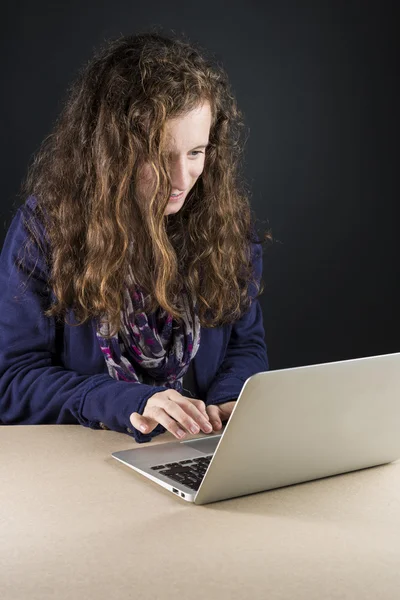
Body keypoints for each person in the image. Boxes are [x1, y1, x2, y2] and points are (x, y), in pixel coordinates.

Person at [0, 30, 270, 444]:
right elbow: (12, 382)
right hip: (82, 462)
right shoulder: (46, 228)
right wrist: (128, 400)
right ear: (111, 151)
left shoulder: (225, 222)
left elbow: (244, 346)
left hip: (192, 454)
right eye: (161, 157)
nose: (182, 180)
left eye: (195, 152)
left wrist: (235, 397)